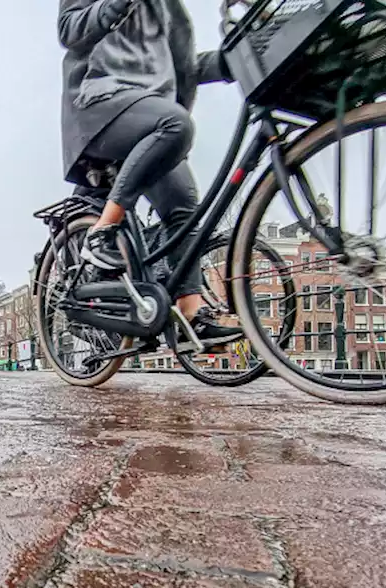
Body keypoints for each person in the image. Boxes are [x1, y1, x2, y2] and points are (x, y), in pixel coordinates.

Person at [58, 0, 242, 348]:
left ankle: (191, 318)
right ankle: (103, 232)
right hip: (100, 106)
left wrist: (232, 60)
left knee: (184, 207)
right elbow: (69, 28)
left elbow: (184, 69)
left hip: (150, 119)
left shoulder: (167, 9)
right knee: (176, 124)